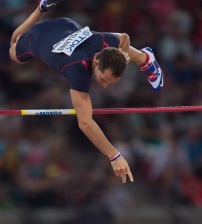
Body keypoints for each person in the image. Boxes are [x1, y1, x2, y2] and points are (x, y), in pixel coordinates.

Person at [9, 0, 164, 184]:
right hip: (37, 38)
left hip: (67, 25)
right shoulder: (77, 70)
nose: (105, 86)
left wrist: (124, 56)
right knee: (13, 49)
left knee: (121, 52)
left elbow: (124, 37)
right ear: (97, 62)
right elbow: (85, 123)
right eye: (104, 79)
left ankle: (145, 59)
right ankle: (41, 9)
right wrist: (114, 156)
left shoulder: (107, 41)